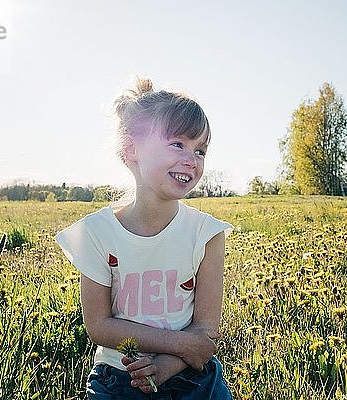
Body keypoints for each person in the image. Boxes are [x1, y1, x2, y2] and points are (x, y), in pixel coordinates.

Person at [55, 77, 233, 399]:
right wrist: (179, 344)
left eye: (201, 150)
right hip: (120, 379)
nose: (192, 160)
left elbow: (206, 333)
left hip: (191, 376)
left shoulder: (207, 234)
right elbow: (99, 326)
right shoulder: (96, 233)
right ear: (131, 148)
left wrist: (167, 365)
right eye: (178, 144)